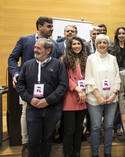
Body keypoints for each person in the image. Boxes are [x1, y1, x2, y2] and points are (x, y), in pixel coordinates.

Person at [8, 16, 60, 156]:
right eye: (48, 26)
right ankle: (27, 144)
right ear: (39, 26)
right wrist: (15, 73)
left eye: (52, 26)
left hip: (48, 90)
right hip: (28, 86)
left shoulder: (54, 43)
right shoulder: (25, 40)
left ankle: (44, 141)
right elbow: (12, 58)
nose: (52, 28)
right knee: (26, 112)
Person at [16, 38, 68, 157]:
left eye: (38, 48)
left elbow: (63, 86)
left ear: (48, 50)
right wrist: (30, 99)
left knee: (47, 138)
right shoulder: (27, 65)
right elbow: (20, 85)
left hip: (52, 109)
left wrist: (47, 101)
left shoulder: (59, 65)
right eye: (35, 47)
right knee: (33, 140)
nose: (35, 50)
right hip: (33, 109)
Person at [85, 34, 121, 157]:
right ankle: (95, 153)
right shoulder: (90, 58)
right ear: (96, 44)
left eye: (105, 42)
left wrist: (114, 93)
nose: (102, 45)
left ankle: (107, 152)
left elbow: (117, 77)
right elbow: (88, 79)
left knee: (109, 126)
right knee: (95, 127)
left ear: (108, 44)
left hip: (112, 98)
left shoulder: (113, 58)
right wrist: (98, 96)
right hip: (95, 99)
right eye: (100, 42)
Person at [62, 36, 88, 157]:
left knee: (78, 129)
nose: (77, 46)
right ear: (70, 46)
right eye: (74, 44)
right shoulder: (64, 60)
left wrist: (83, 91)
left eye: (79, 43)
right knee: (69, 130)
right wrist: (77, 89)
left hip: (83, 98)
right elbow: (64, 78)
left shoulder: (86, 59)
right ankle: (67, 153)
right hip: (70, 98)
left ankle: (77, 153)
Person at [109, 27, 125, 137]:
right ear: (116, 35)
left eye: (123, 33)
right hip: (116, 77)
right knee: (117, 103)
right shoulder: (112, 49)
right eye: (120, 33)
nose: (122, 35)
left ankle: (124, 126)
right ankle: (116, 127)